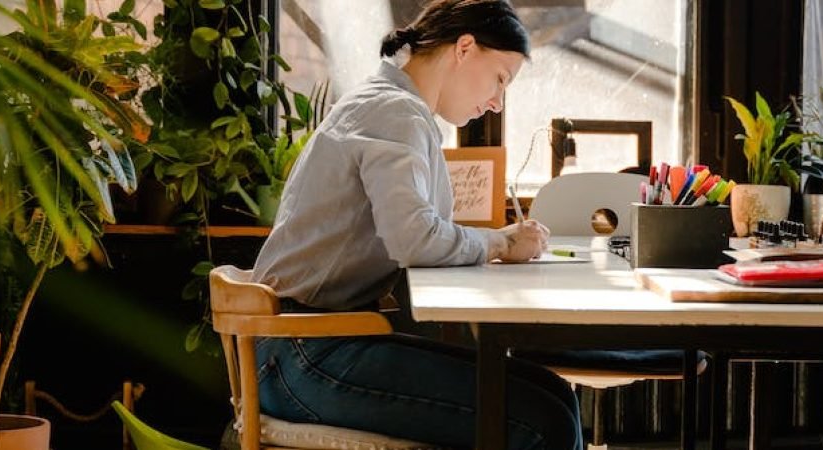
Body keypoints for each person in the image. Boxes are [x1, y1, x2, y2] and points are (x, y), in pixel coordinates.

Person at [249, 0, 583, 448]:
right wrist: (501, 243)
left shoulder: (392, 105)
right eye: (500, 79)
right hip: (305, 353)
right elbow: (414, 238)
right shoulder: (396, 112)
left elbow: (414, 232)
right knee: (543, 419)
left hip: (309, 344)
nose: (497, 103)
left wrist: (491, 243)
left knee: (555, 395)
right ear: (464, 48)